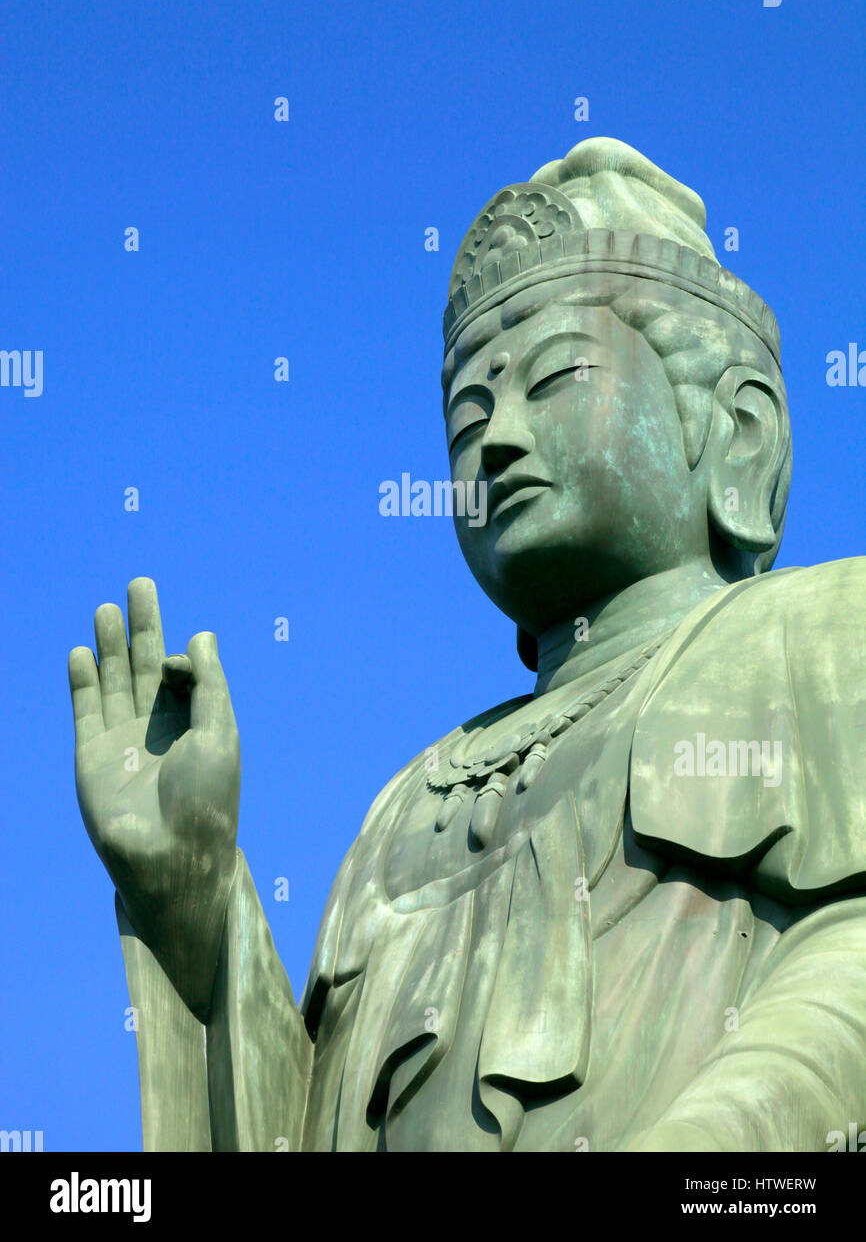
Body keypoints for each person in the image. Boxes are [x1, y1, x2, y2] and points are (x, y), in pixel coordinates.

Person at [70, 138, 866, 1151]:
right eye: (465, 415)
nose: (493, 438)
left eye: (552, 379)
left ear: (733, 430)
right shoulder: (406, 804)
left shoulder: (815, 635)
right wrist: (191, 899)